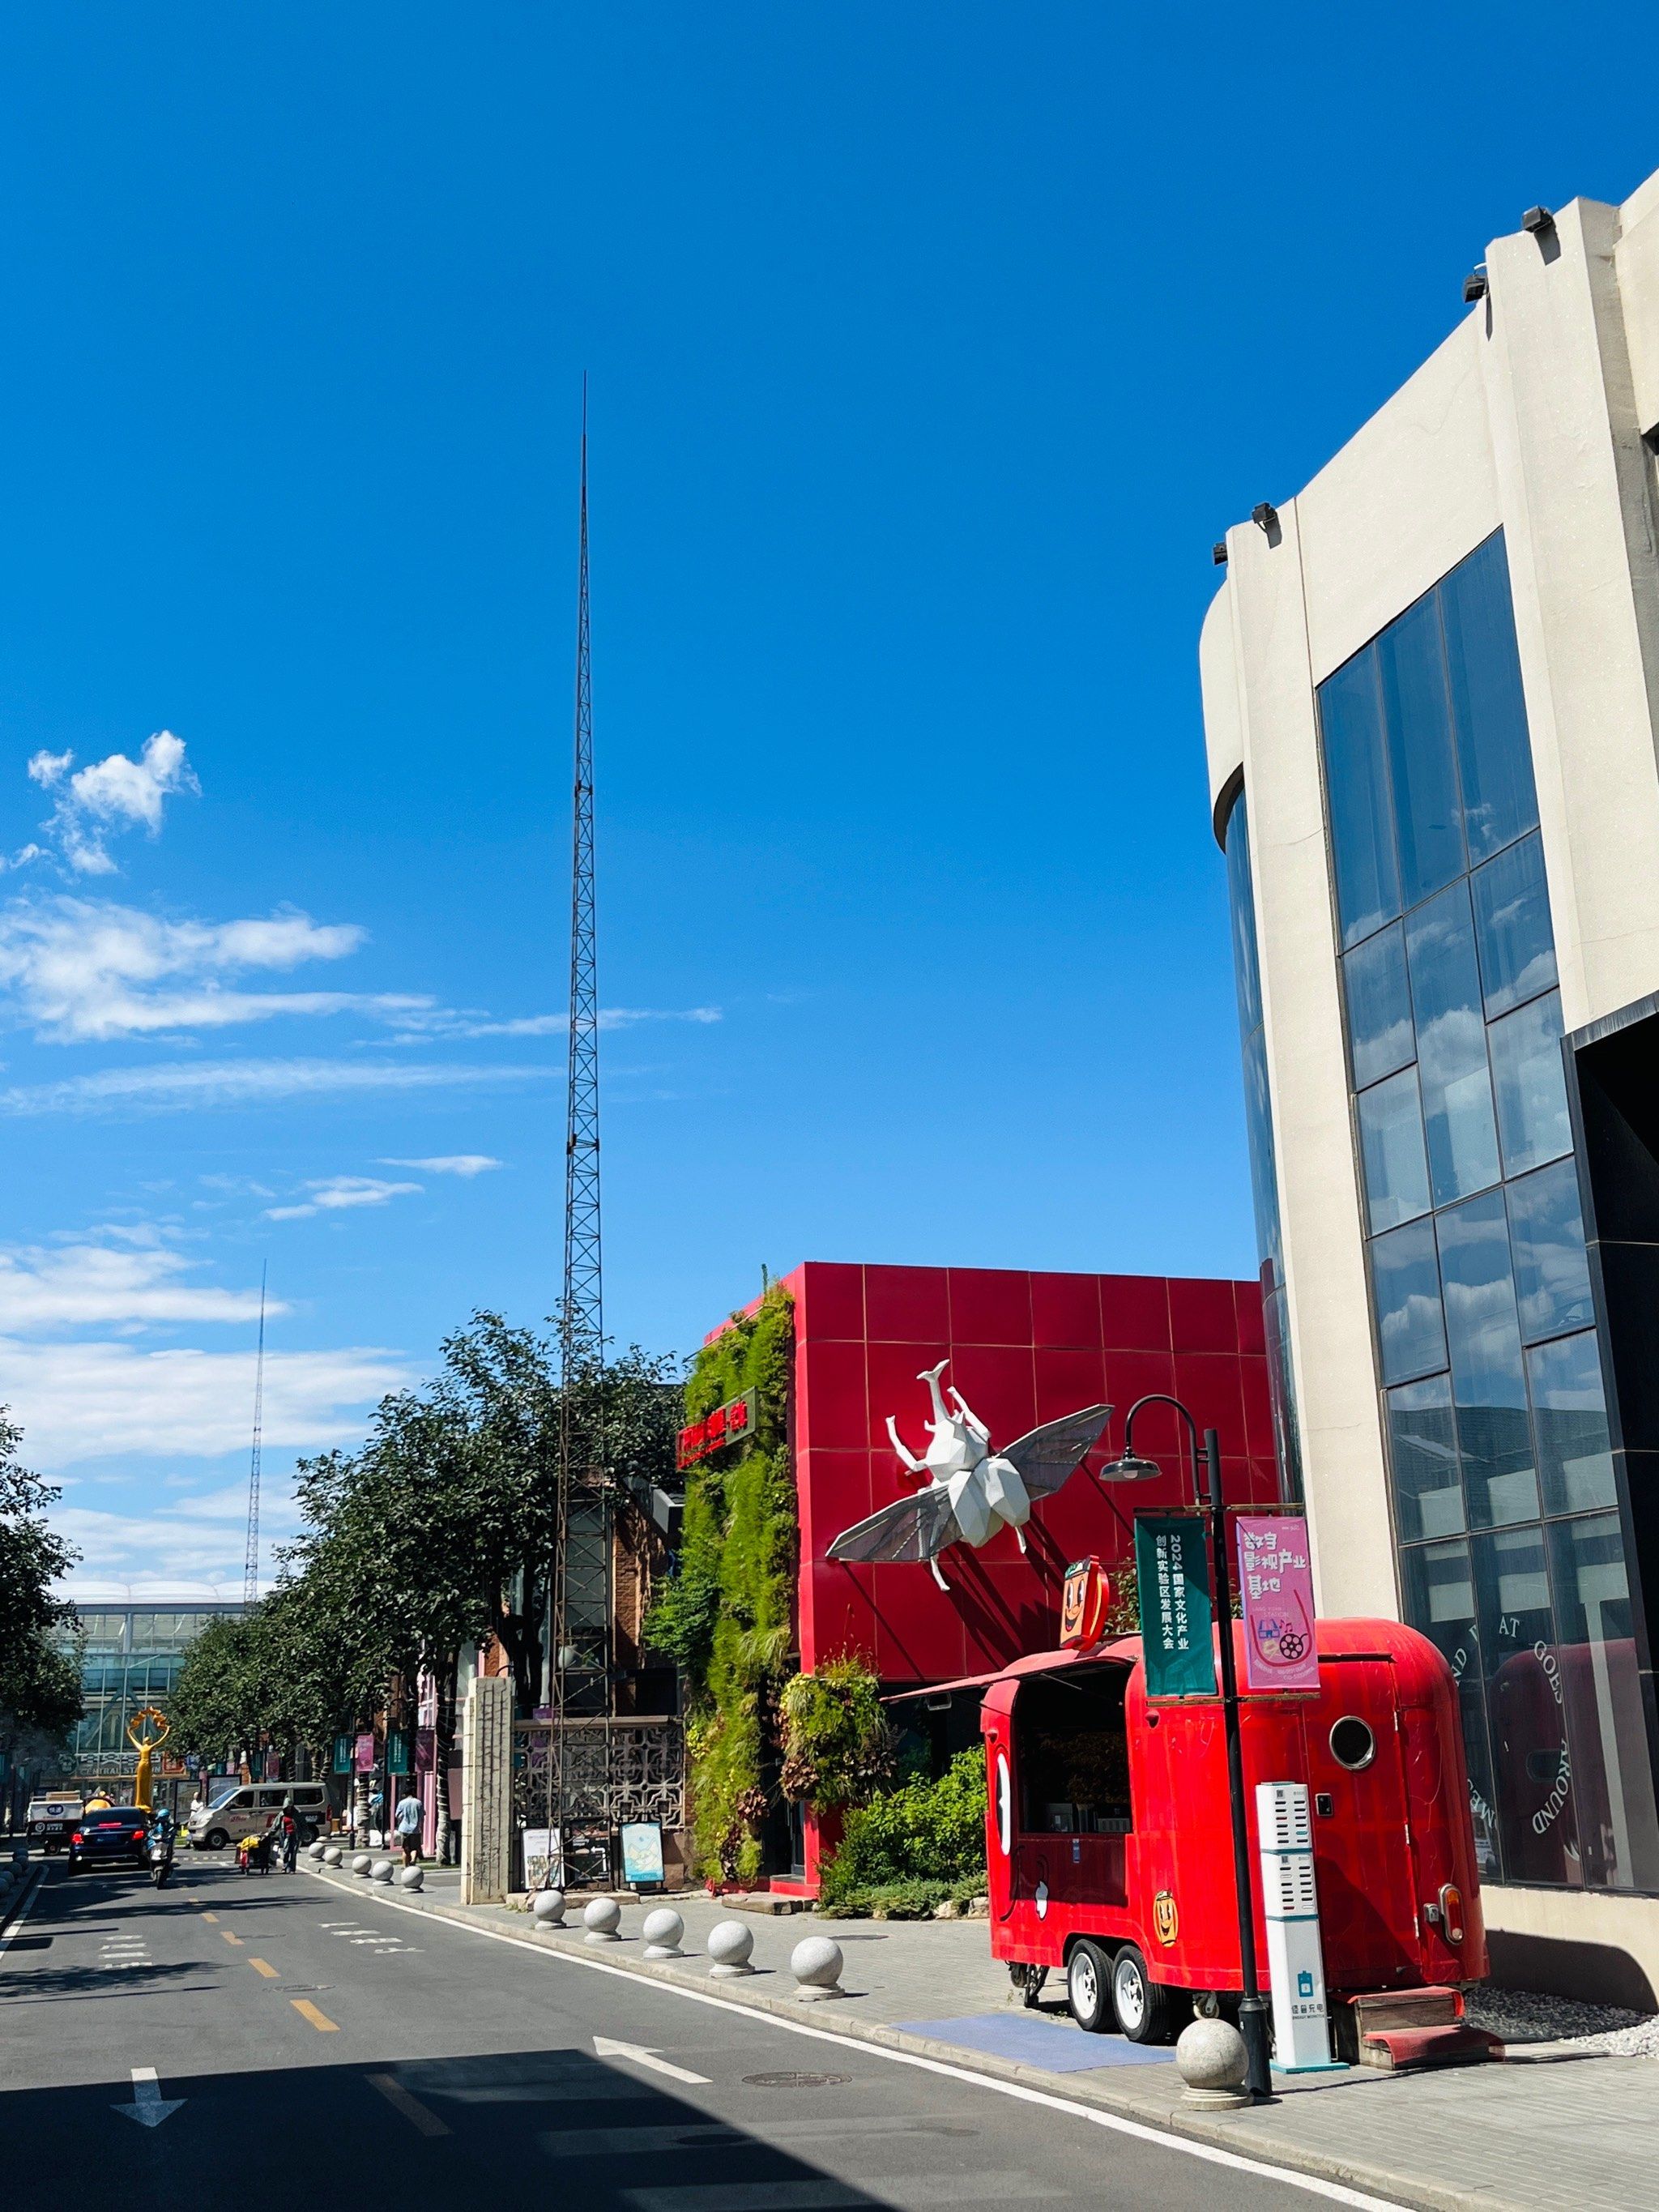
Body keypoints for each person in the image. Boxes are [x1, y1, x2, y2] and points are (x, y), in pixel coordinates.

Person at [393, 1787, 423, 1867]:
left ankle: (406, 1866)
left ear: (405, 1794)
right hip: (415, 1829)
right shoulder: (418, 1803)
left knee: (405, 1848)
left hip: (404, 1828)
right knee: (414, 1847)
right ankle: (413, 1860)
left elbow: (397, 1815)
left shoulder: (402, 1803)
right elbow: (422, 1815)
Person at [276, 1796, 301, 1873]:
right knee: (286, 1851)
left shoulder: (297, 1813)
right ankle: (285, 1866)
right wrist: (269, 1833)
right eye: (288, 1807)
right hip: (286, 1835)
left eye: (290, 1807)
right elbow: (276, 1825)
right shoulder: (282, 1815)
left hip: (295, 1835)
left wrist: (304, 1833)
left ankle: (292, 1868)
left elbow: (303, 1824)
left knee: (293, 1852)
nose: (289, 1808)